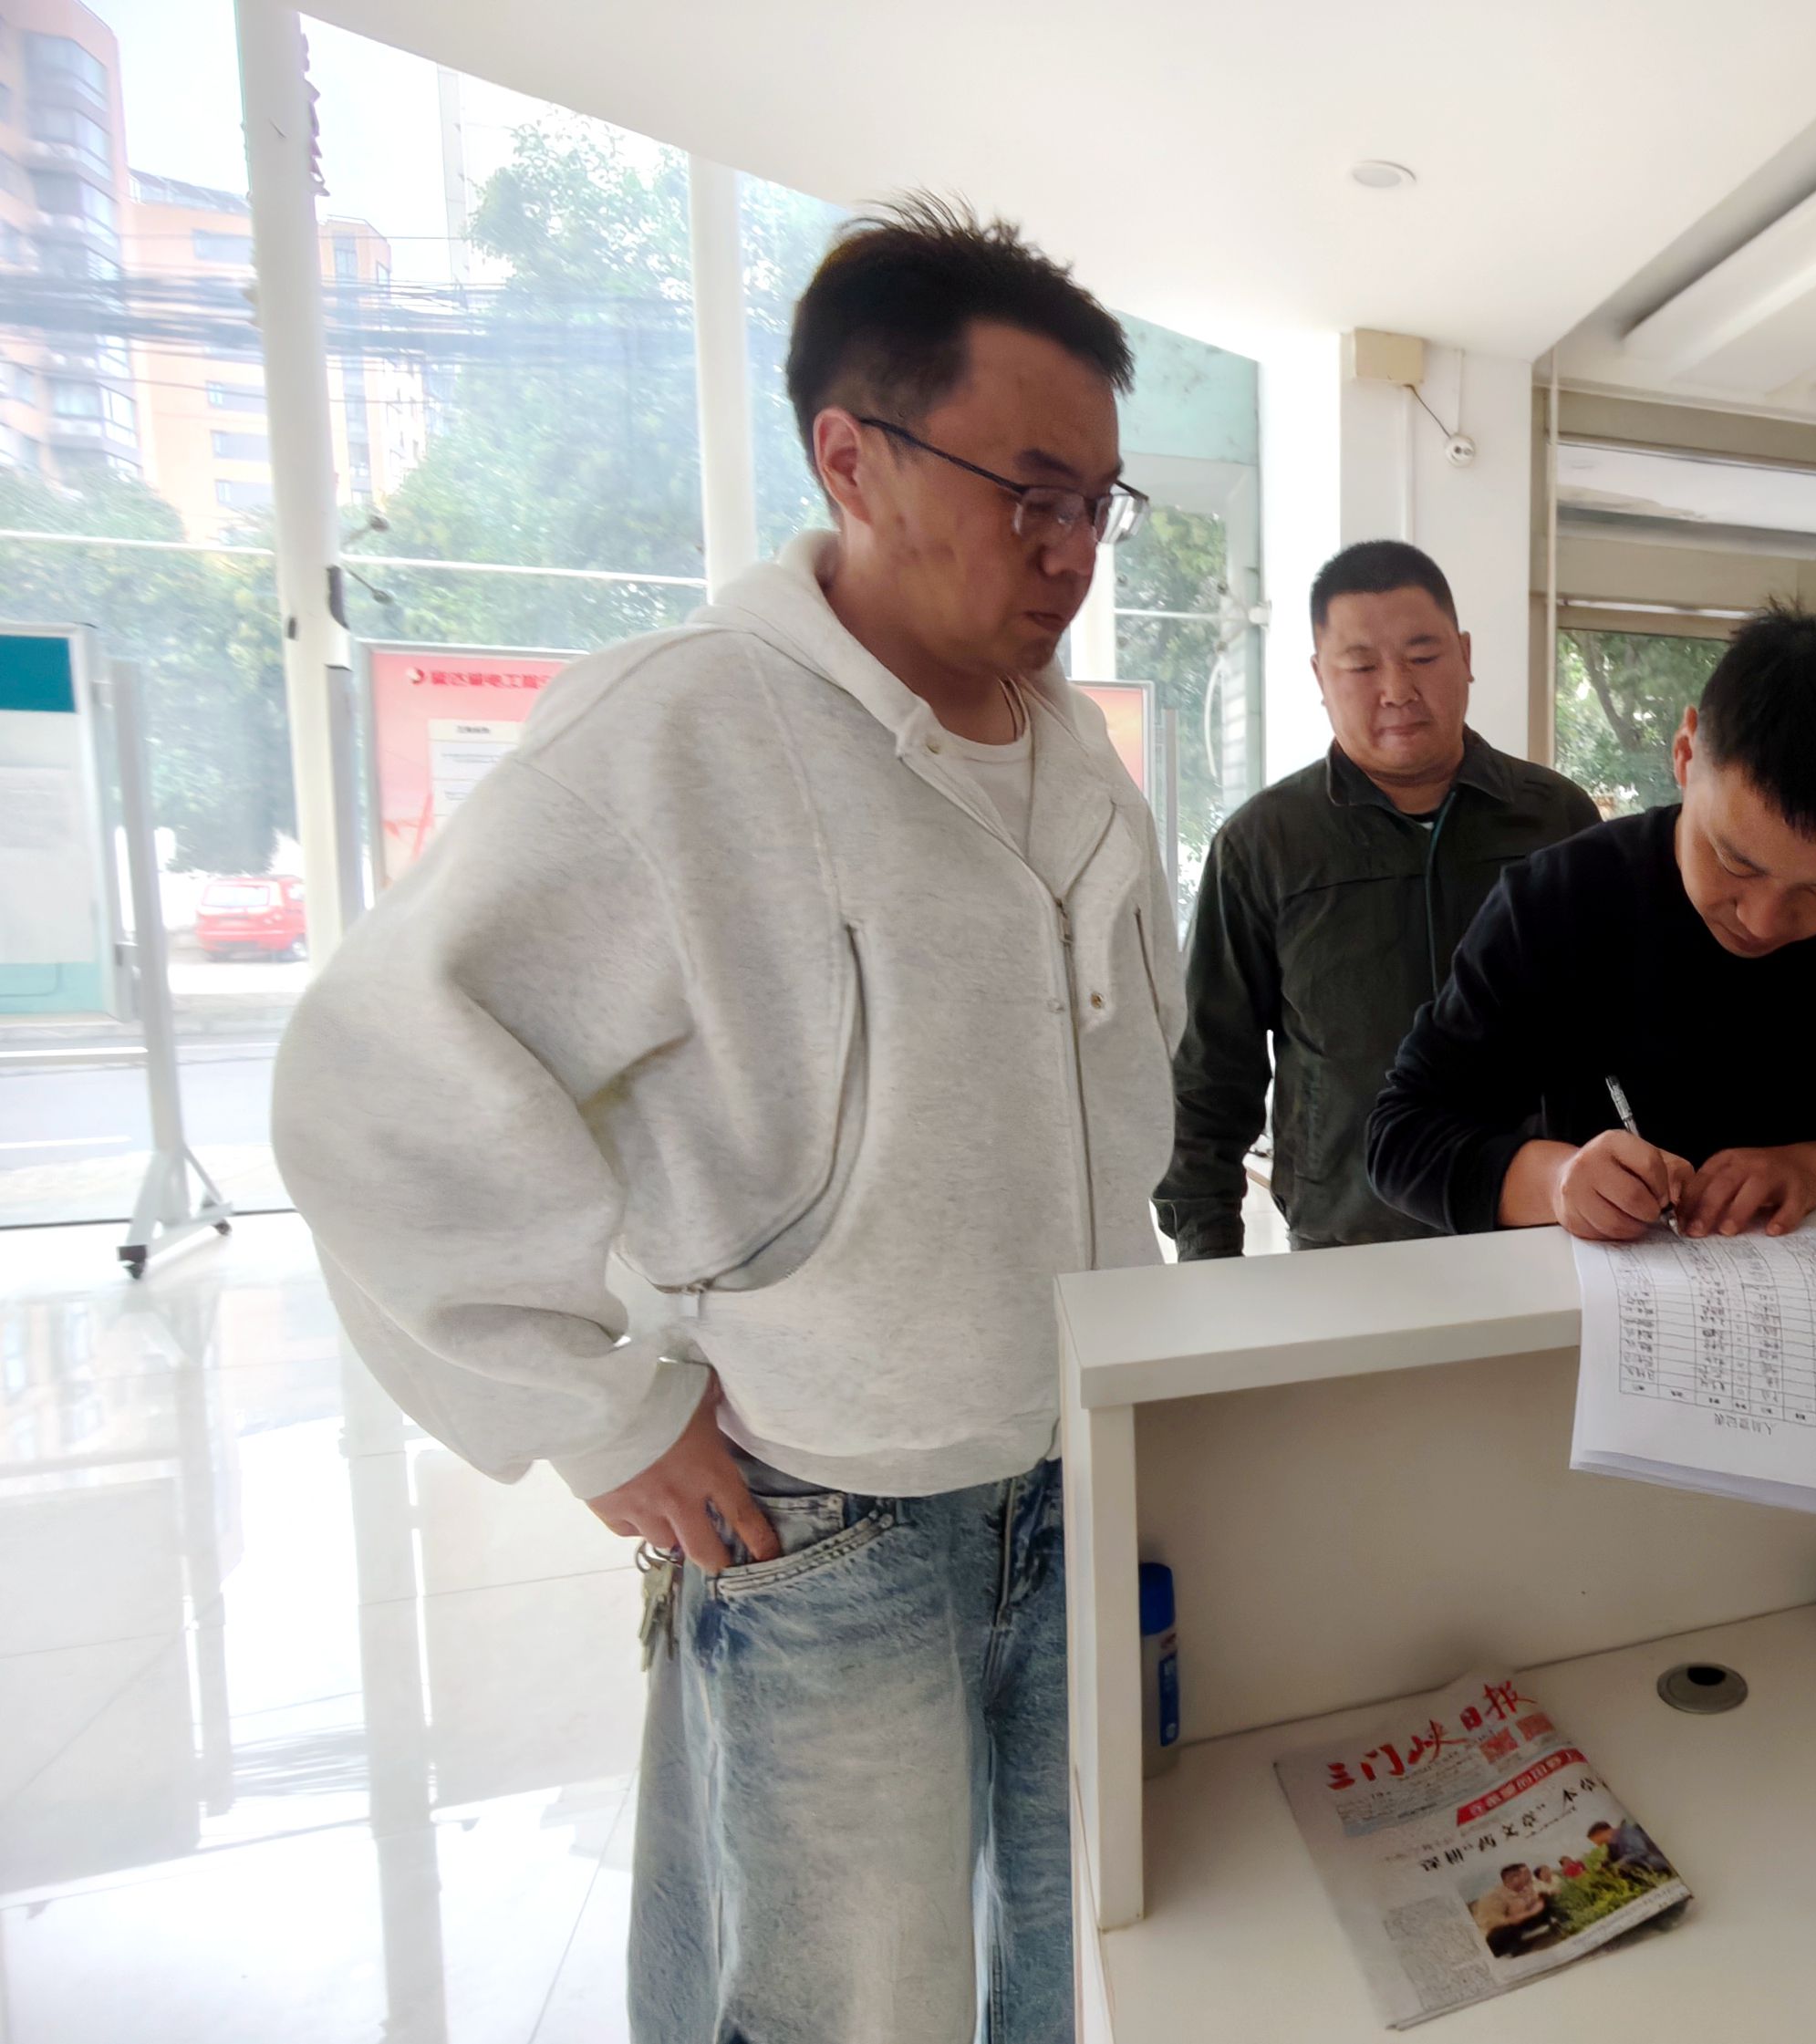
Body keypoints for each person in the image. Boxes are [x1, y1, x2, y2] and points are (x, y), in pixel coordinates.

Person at [273, 198, 1176, 2044]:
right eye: (1028, 491)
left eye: (1098, 501)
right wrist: (595, 1407)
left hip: (1071, 1477)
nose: (1070, 548)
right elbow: (378, 1085)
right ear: (851, 455)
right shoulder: (683, 733)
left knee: (1070, 1963)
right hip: (824, 1514)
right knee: (853, 2003)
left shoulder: (1078, 761)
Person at [1365, 607, 1816, 1241]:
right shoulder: (1558, 901)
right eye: (1735, 861)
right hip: (1612, 1302)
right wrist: (1558, 1180)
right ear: (1685, 754)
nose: (1763, 921)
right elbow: (1402, 1134)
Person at [1157, 541, 1599, 1257]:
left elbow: (1615, 1024)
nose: (1396, 689)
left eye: (1422, 656)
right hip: (1347, 1240)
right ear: (1320, 676)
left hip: (1535, 1225)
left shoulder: (1555, 818)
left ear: (1464, 655)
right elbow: (1210, 1072)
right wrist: (1207, 1251)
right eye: (1361, 666)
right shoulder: (1265, 843)